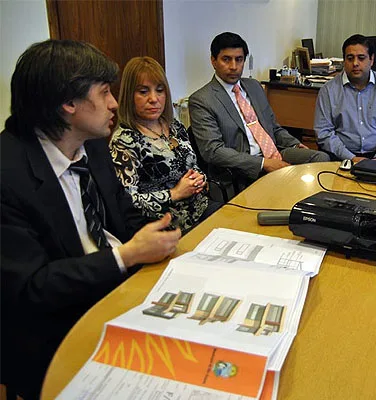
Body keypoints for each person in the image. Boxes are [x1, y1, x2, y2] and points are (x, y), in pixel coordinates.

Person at [0, 40, 181, 399]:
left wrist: (156, 235)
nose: (115, 103)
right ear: (68, 104)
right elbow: (30, 288)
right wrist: (126, 256)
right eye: (104, 93)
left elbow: (122, 211)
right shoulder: (7, 175)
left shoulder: (93, 143)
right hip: (56, 327)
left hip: (119, 289)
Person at [188, 32, 329, 193]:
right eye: (226, 59)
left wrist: (294, 144)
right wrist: (263, 163)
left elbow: (274, 128)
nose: (234, 66)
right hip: (244, 167)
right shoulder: (202, 100)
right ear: (213, 61)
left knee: (320, 158)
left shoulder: (254, 86)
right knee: (287, 188)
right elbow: (213, 151)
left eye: (239, 59)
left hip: (274, 152)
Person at [110, 57, 221, 235]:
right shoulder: (124, 140)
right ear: (129, 95)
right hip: (165, 225)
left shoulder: (173, 125)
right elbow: (126, 201)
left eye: (160, 91)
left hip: (200, 209)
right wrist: (174, 193)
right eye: (143, 92)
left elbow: (192, 164)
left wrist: (199, 178)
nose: (154, 99)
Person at [314, 34, 376, 163]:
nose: (355, 63)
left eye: (361, 58)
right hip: (342, 155)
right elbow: (324, 133)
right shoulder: (328, 90)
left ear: (372, 60)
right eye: (350, 58)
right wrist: (351, 158)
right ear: (344, 60)